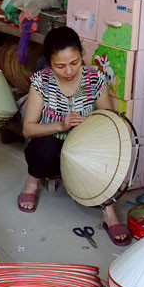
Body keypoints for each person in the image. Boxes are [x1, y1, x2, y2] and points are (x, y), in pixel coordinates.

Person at [17, 26, 132, 246]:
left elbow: (107, 118)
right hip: (52, 154)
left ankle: (109, 212)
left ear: (81, 55)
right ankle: (31, 184)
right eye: (60, 66)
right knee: (45, 145)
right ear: (49, 62)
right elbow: (28, 129)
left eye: (75, 62)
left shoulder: (95, 79)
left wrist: (114, 127)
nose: (68, 71)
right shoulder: (41, 82)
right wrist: (61, 125)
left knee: (105, 147)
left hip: (84, 153)